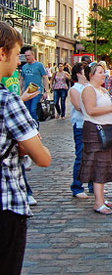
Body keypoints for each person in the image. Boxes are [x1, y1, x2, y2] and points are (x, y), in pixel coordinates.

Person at [0, 21, 51, 274]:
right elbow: (42, 158)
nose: (19, 62)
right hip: (6, 202)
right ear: (2, 52)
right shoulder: (8, 100)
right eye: (17, 54)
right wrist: (22, 146)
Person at [79, 63, 112, 215]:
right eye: (100, 72)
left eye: (104, 72)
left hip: (107, 130)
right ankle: (98, 202)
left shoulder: (102, 89)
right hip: (95, 131)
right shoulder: (88, 89)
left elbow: (109, 104)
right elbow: (91, 110)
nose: (103, 74)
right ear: (91, 75)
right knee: (99, 165)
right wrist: (111, 109)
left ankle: (102, 198)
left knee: (105, 166)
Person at [69, 63, 93, 199]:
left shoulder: (89, 87)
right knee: (81, 156)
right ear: (78, 73)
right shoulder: (75, 89)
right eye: (85, 71)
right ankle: (77, 186)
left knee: (92, 156)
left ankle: (92, 186)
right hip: (80, 125)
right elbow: (79, 107)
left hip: (91, 124)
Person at [21, 47, 49, 124]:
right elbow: (22, 79)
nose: (27, 57)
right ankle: (31, 127)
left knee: (33, 110)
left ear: (33, 55)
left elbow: (45, 77)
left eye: (29, 55)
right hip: (27, 92)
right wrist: (21, 91)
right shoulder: (24, 67)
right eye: (26, 56)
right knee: (28, 111)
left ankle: (36, 127)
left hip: (37, 92)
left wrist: (46, 91)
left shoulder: (39, 65)